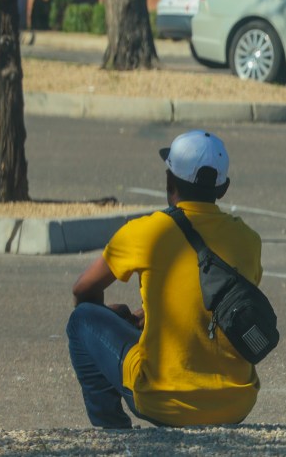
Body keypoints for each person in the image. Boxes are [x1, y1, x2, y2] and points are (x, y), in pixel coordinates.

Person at [66, 130, 264, 428]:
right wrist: (152, 315)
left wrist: (115, 319)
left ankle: (111, 433)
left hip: (163, 400)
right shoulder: (249, 240)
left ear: (169, 182)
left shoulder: (146, 232)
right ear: (223, 189)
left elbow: (83, 290)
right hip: (236, 402)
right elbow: (212, 304)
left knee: (82, 319)